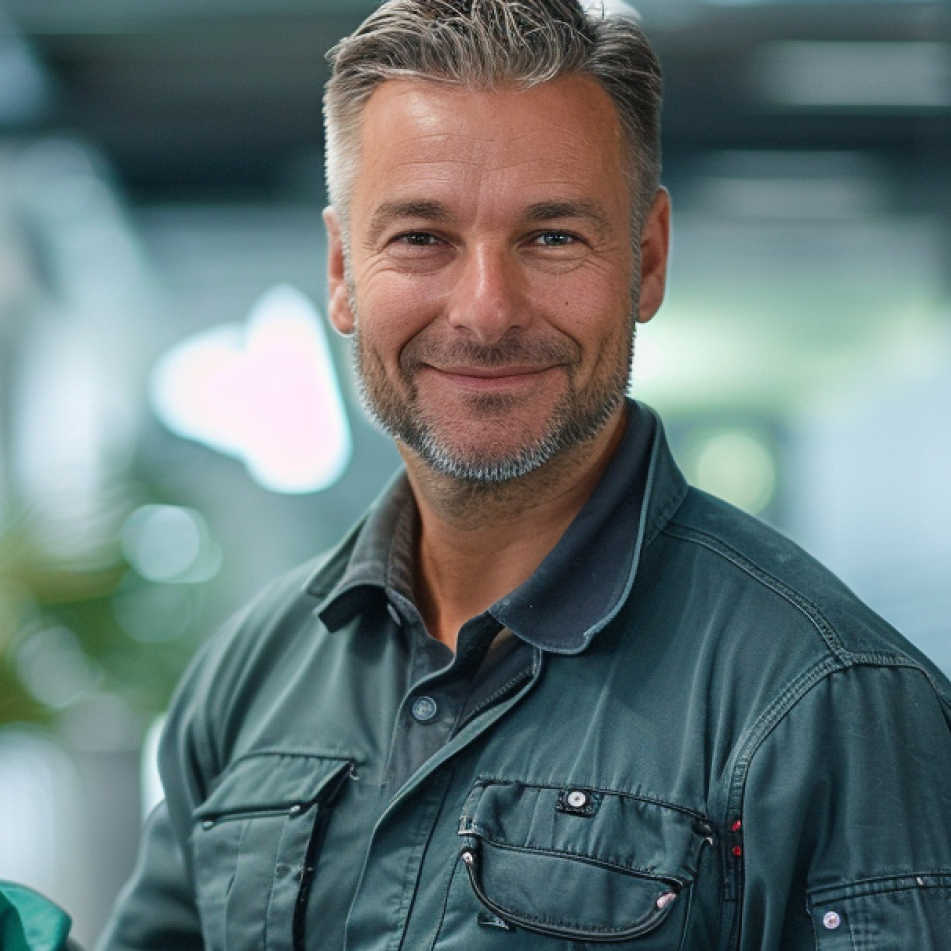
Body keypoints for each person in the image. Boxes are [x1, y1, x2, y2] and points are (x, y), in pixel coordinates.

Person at [98, 1, 951, 949]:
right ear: (343, 269)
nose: (486, 309)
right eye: (421, 237)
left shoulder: (828, 703)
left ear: (647, 259)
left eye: (550, 237)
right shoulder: (249, 676)